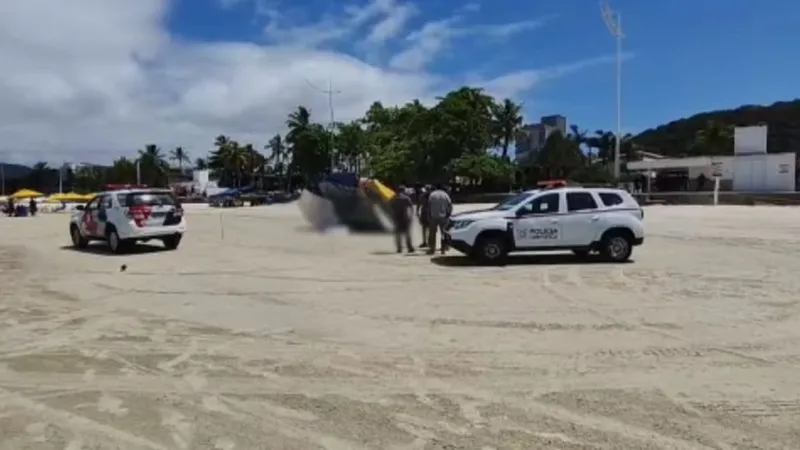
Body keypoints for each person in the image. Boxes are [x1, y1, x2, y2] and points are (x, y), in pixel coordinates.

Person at [427, 183, 452, 255]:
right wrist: (448, 214)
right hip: (443, 217)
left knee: (432, 234)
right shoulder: (445, 195)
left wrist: (428, 216)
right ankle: (443, 249)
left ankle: (432, 249)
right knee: (443, 234)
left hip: (433, 216)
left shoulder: (432, 195)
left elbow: (429, 206)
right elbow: (450, 205)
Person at [389, 185, 415, 253]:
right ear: (403, 190)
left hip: (396, 217)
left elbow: (390, 207)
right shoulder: (406, 198)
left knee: (398, 234)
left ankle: (399, 248)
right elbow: (411, 207)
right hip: (405, 217)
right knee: (407, 233)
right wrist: (411, 216)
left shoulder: (393, 198)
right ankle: (409, 247)